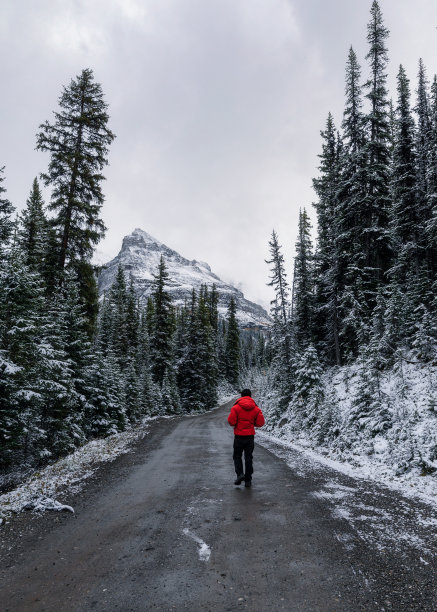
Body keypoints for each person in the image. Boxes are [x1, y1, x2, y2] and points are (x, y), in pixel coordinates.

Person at [227, 389, 265, 487]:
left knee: (237, 456)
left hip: (239, 437)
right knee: (248, 458)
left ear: (241, 396)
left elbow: (231, 422)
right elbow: (260, 423)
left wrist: (237, 424)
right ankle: (248, 480)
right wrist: (253, 424)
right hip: (249, 437)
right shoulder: (256, 409)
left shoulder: (235, 408)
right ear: (250, 396)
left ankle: (240, 474)